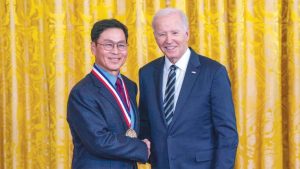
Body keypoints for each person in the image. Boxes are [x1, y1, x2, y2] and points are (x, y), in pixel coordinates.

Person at [139, 8, 238, 169]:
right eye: (162, 34)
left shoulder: (213, 72)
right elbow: (145, 122)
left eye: (175, 33)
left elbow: (227, 134)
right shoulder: (147, 73)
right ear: (155, 37)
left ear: (187, 34)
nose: (168, 40)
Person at [67, 19, 150, 169]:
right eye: (108, 45)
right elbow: (99, 140)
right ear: (93, 48)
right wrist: (142, 148)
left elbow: (132, 128)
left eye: (121, 45)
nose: (116, 51)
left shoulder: (130, 86)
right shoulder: (82, 93)